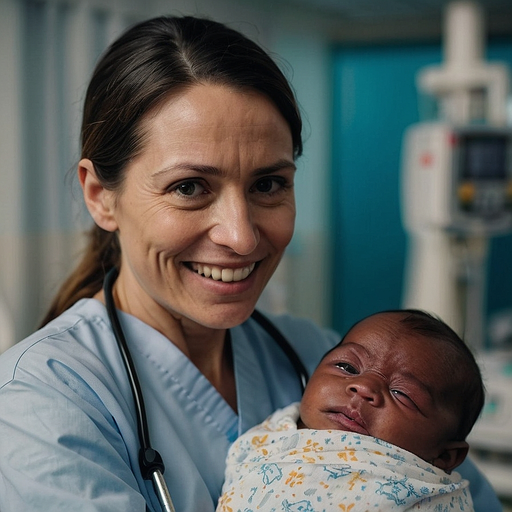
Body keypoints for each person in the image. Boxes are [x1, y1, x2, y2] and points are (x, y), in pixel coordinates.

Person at [0, 15, 501, 512]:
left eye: (268, 185)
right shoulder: (41, 403)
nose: (240, 237)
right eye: (189, 187)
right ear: (100, 197)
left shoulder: (322, 358)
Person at [218, 310, 484, 512]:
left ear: (446, 456)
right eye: (347, 367)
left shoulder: (427, 490)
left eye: (402, 394)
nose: (363, 386)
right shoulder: (274, 434)